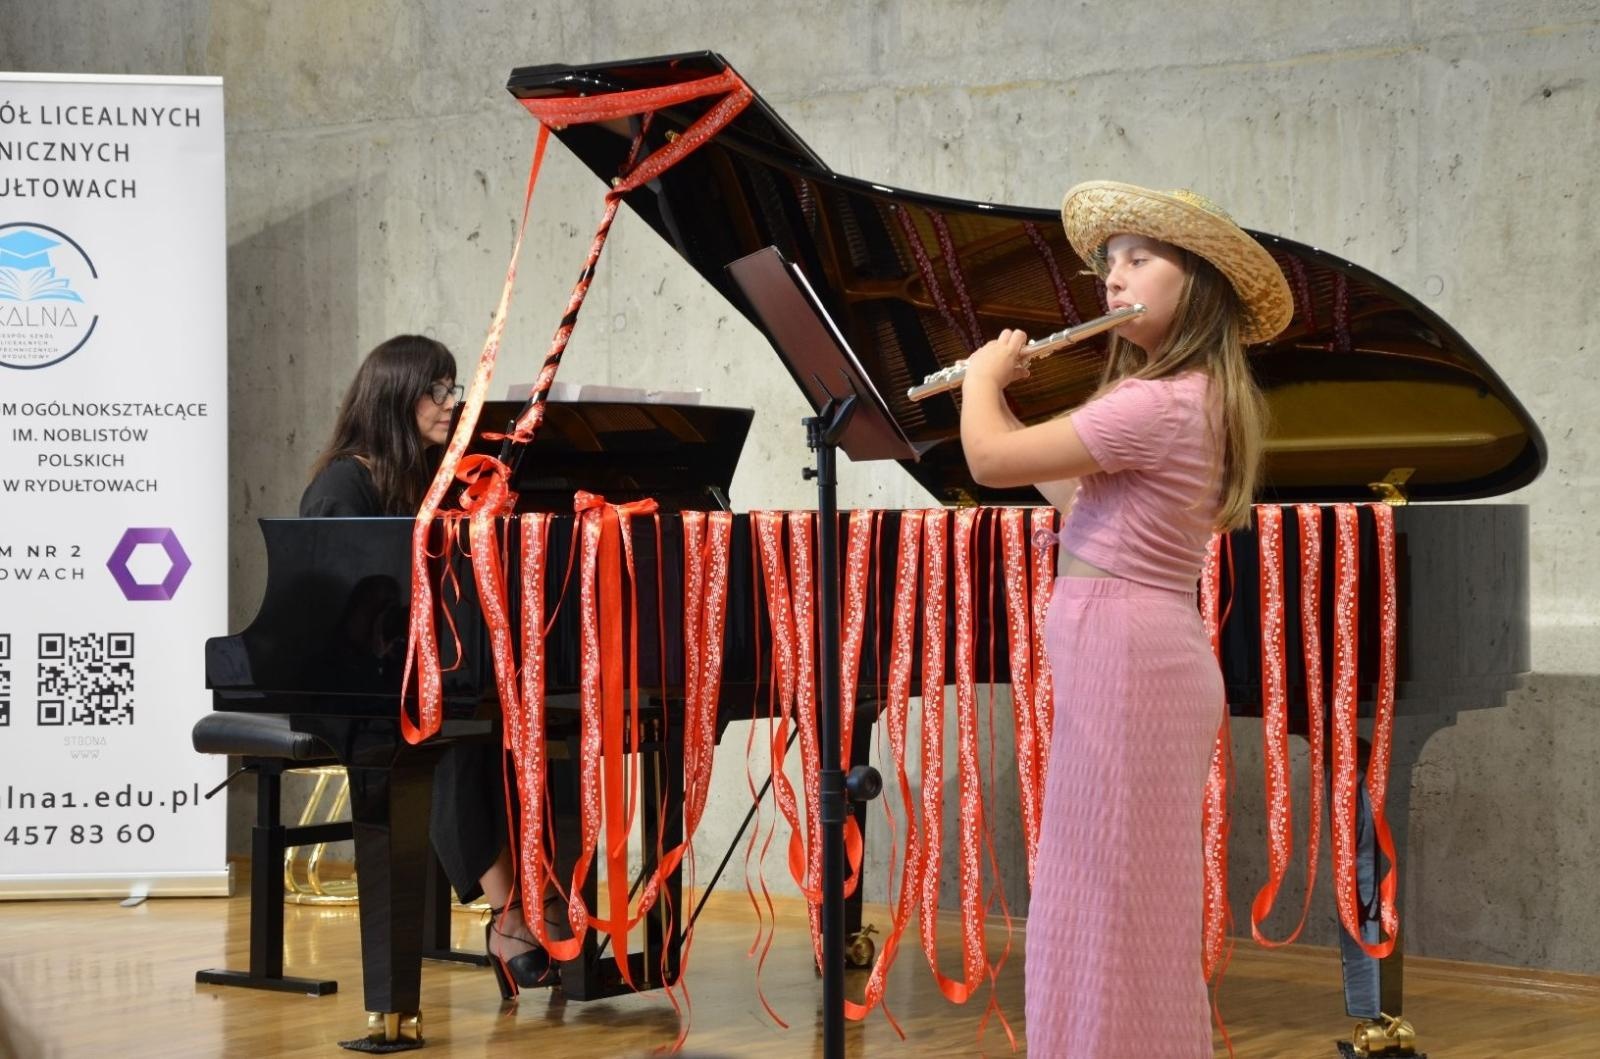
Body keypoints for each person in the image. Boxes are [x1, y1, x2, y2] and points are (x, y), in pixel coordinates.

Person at [958, 182, 1291, 1056]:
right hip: (1134, 652)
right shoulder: (1184, 398)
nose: (1114, 279)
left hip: (1129, 660)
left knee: (1108, 897)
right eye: (1109, 265)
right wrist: (1018, 407)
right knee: (1104, 893)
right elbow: (1079, 500)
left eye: (1140, 260)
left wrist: (983, 382)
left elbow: (987, 459)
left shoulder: (1160, 403)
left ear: (1201, 286)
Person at [301, 333, 558, 999]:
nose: (452, 404)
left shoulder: (429, 479)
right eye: (436, 390)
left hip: (420, 672)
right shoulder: (344, 482)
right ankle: (508, 917)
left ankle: (546, 897)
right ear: (393, 396)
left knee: (538, 723)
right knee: (453, 733)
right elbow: (339, 614)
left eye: (453, 389)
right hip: (350, 683)